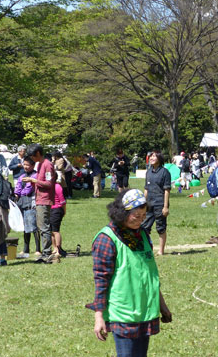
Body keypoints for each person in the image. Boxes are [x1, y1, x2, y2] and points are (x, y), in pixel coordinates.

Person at [87, 189, 173, 357]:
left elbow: (149, 274)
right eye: (136, 216)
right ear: (123, 213)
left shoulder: (143, 235)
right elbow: (101, 281)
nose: (141, 220)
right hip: (123, 314)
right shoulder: (106, 239)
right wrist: (99, 316)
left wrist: (162, 305)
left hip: (144, 312)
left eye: (144, 216)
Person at [25, 143, 57, 264]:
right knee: (41, 226)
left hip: (44, 199)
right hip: (39, 198)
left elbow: (49, 183)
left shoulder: (47, 165)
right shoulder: (40, 164)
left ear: (38, 153)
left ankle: (47, 253)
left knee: (44, 227)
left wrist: (34, 180)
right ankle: (45, 252)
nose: (32, 159)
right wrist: (32, 182)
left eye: (32, 156)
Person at [143, 151, 171, 256]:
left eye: (154, 156)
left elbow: (167, 190)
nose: (151, 158)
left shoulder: (165, 172)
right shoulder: (148, 172)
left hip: (160, 203)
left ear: (159, 158)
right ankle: (146, 248)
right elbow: (146, 189)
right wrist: (143, 203)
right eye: (150, 156)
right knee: (144, 227)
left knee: (161, 228)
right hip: (149, 204)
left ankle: (161, 251)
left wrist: (165, 207)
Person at [14, 156, 41, 258]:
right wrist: (16, 195)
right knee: (25, 227)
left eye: (27, 165)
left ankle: (38, 249)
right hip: (22, 202)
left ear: (33, 165)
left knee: (33, 226)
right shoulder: (22, 176)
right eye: (24, 164)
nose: (25, 166)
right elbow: (18, 189)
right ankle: (26, 249)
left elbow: (29, 189)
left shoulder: (35, 176)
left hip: (31, 202)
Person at [50, 182, 67, 262]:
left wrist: (64, 211)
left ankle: (58, 249)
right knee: (51, 231)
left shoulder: (57, 186)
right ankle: (55, 248)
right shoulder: (48, 186)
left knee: (55, 231)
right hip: (49, 209)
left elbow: (63, 201)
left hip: (57, 209)